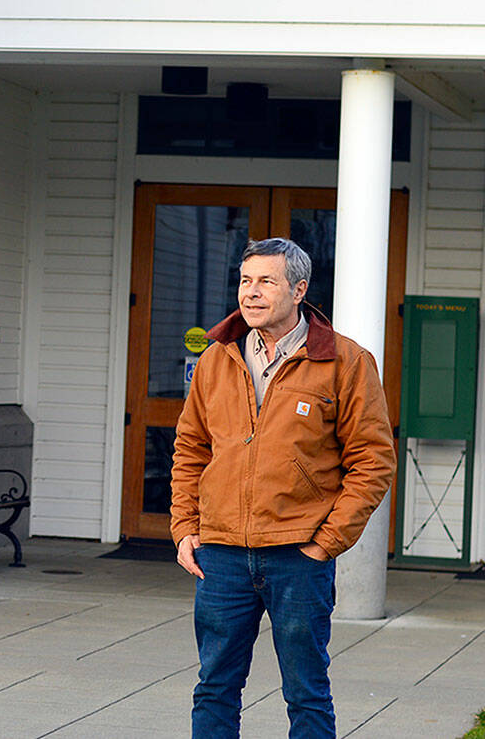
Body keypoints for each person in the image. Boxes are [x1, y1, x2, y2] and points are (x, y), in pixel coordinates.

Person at [170, 237, 395, 739]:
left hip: (299, 555)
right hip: (221, 555)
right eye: (245, 281)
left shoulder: (346, 362)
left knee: (306, 693)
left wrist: (325, 543)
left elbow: (373, 461)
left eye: (266, 282)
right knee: (214, 688)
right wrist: (185, 527)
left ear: (299, 289)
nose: (251, 293)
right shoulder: (215, 359)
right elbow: (190, 450)